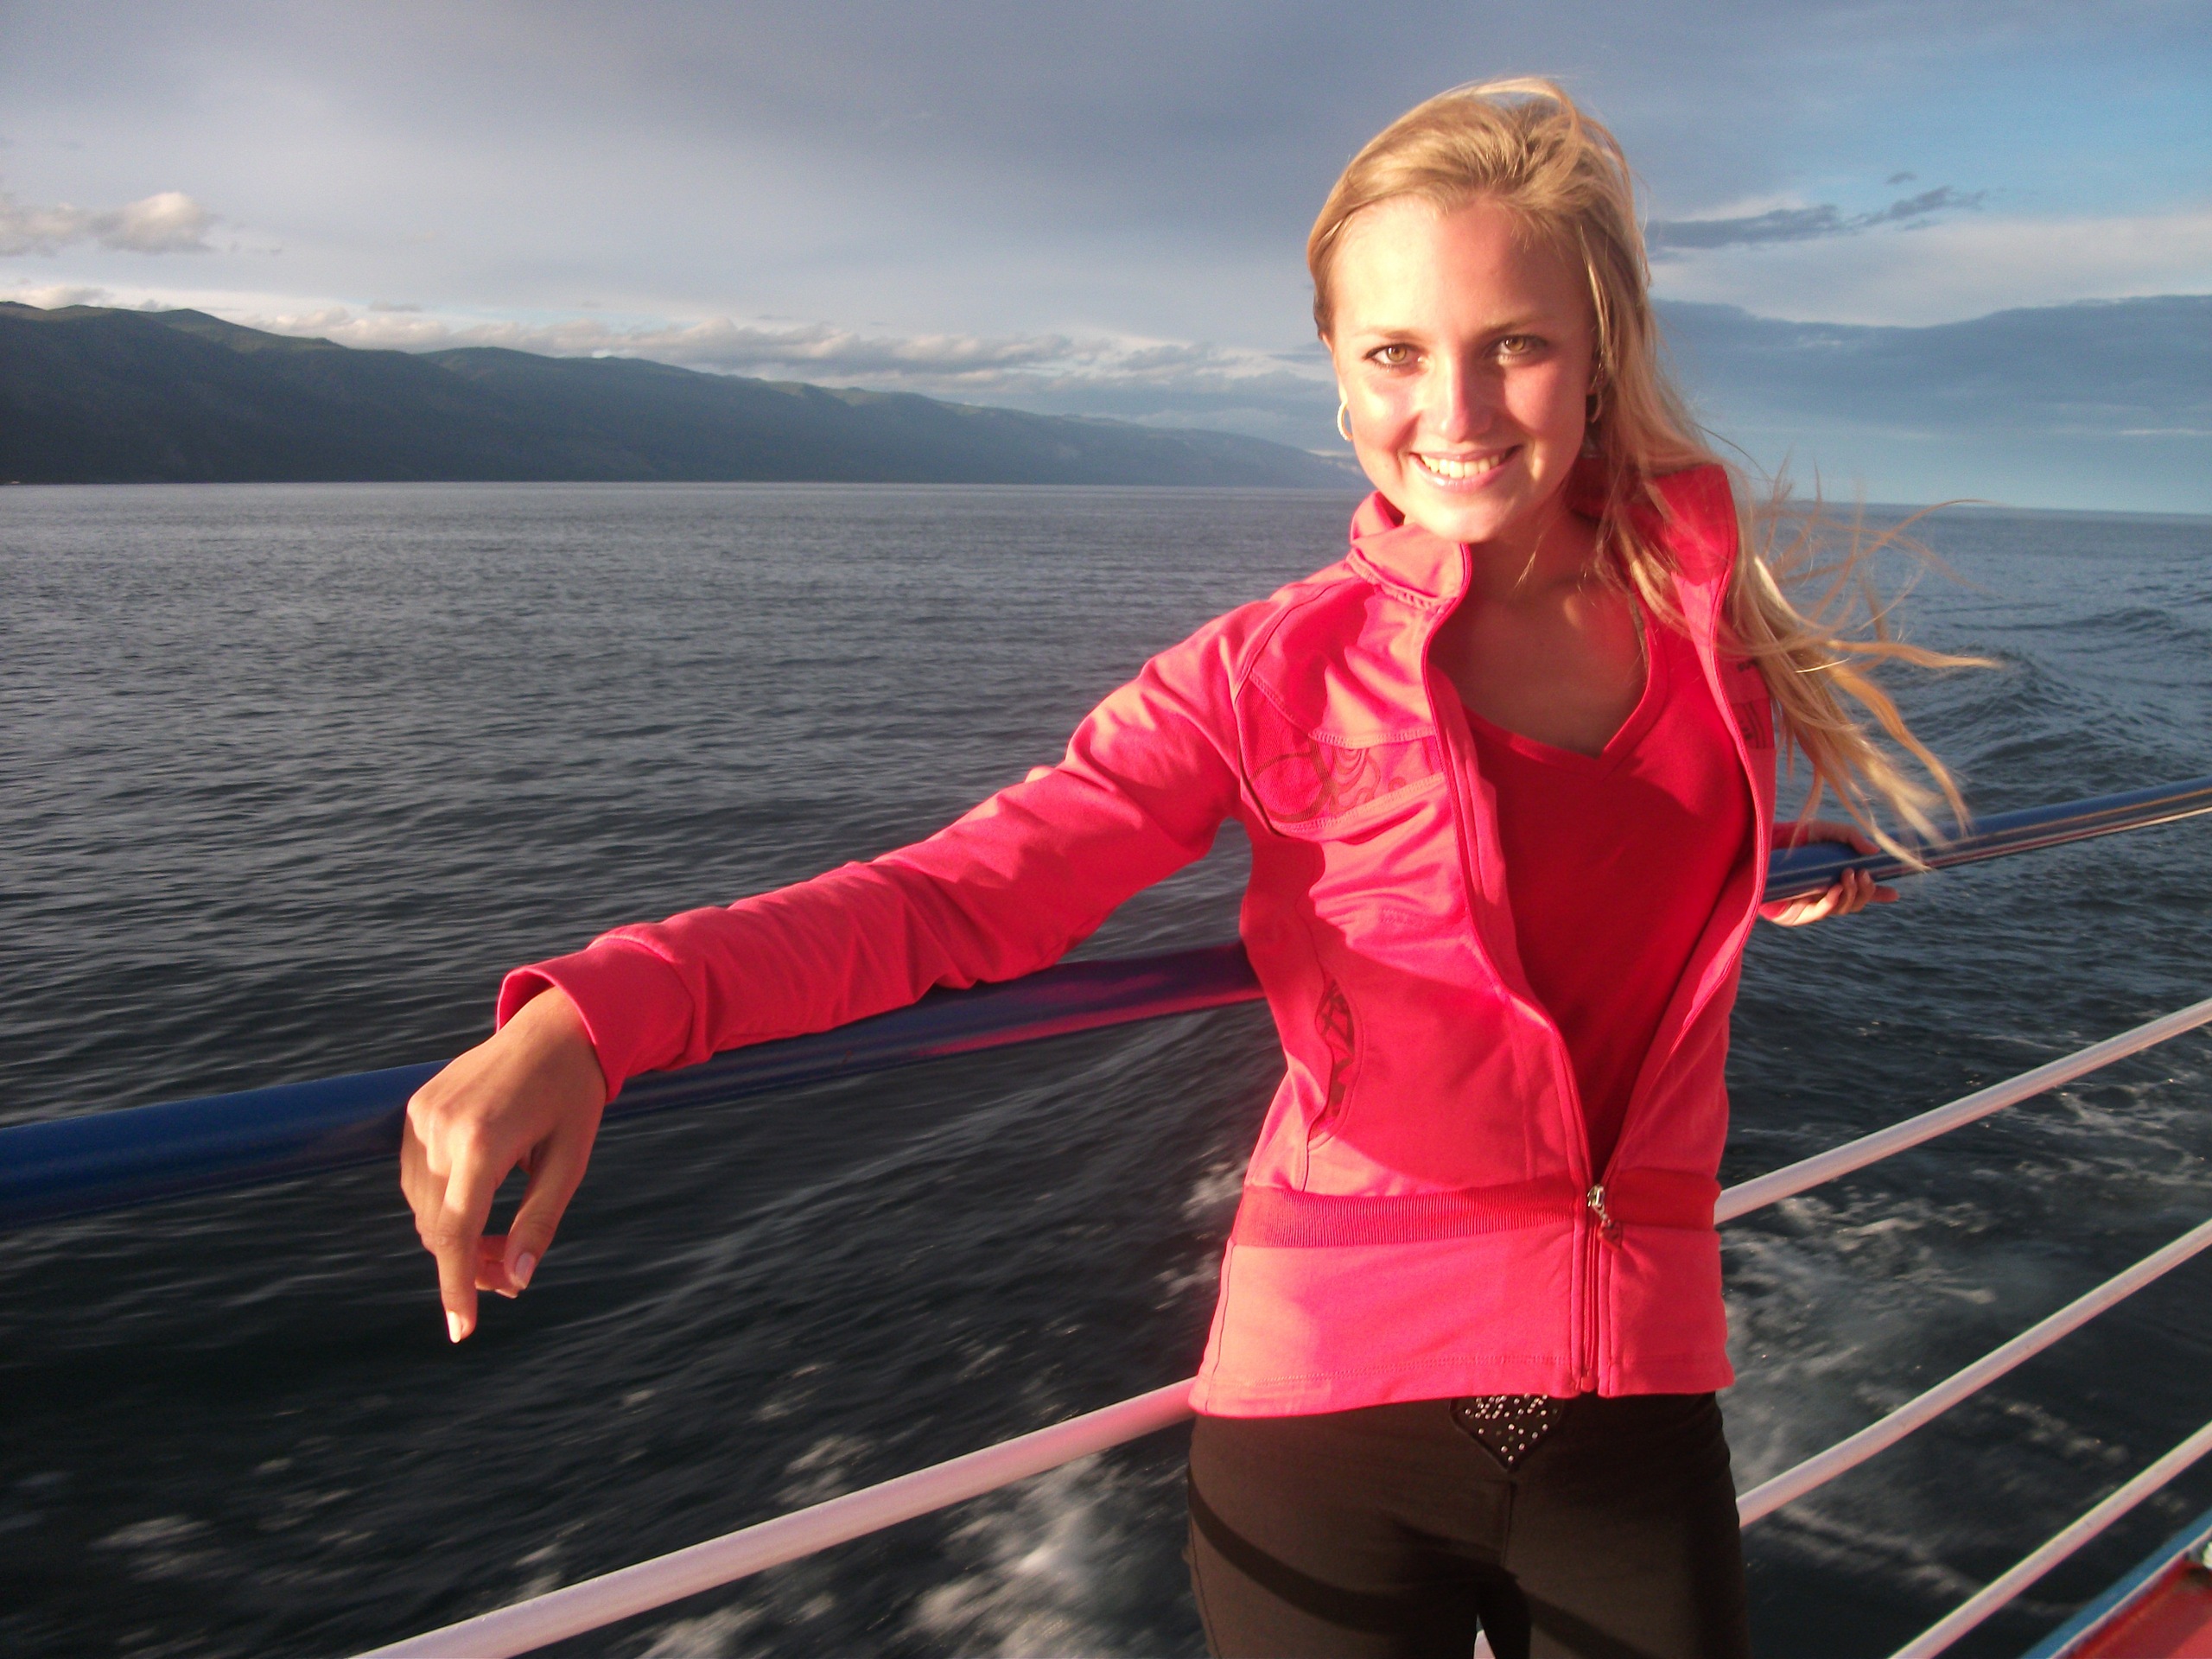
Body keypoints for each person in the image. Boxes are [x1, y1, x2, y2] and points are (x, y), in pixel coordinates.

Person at [400, 79, 1969, 1659]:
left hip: (1637, 1404)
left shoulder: (1708, 629)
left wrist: (1754, 870)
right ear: (1340, 380)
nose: (1458, 407)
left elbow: (1616, 852)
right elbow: (963, 897)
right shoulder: (1264, 675)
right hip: (1333, 1428)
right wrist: (600, 1011)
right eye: (1396, 353)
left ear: (1600, 353)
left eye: (1515, 343)